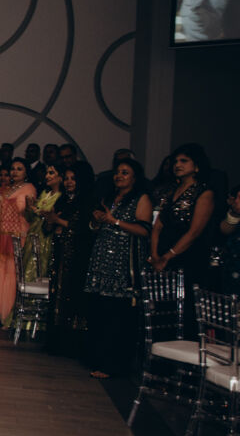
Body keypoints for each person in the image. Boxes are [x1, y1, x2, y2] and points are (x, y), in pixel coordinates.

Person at [84, 158, 152, 379]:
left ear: (135, 178)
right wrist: (97, 220)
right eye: (117, 172)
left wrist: (114, 221)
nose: (119, 176)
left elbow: (144, 231)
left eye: (125, 172)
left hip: (123, 264)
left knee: (118, 316)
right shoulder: (109, 198)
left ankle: (113, 364)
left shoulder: (141, 198)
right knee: (100, 311)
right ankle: (96, 358)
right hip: (102, 261)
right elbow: (97, 227)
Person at [149, 143, 215, 332]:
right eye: (176, 161)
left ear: (197, 166)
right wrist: (155, 255)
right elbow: (158, 226)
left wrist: (168, 256)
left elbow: (194, 232)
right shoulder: (170, 191)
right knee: (163, 310)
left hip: (188, 258)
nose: (177, 165)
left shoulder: (204, 193)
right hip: (163, 258)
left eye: (184, 161)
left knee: (185, 311)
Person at [0, 158, 36, 326]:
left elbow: (20, 210)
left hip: (16, 236)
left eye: (19, 169)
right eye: (13, 168)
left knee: (11, 272)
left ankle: (7, 313)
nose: (14, 172)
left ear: (26, 172)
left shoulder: (29, 188)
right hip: (1, 235)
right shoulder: (9, 189)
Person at [44, 164, 94, 357]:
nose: (69, 182)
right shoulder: (63, 199)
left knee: (73, 294)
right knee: (57, 293)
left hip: (78, 254)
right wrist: (50, 220)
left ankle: (73, 343)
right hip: (60, 253)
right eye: (66, 178)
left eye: (73, 178)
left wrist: (58, 221)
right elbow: (49, 227)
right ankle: (56, 339)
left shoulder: (88, 200)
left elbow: (85, 227)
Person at [22, 163, 63, 282]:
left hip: (46, 239)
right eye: (47, 173)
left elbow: (51, 216)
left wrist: (37, 211)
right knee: (25, 270)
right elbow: (31, 218)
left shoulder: (61, 197)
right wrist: (29, 208)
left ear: (60, 177)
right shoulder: (45, 193)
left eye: (51, 173)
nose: (47, 176)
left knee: (37, 271)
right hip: (33, 236)